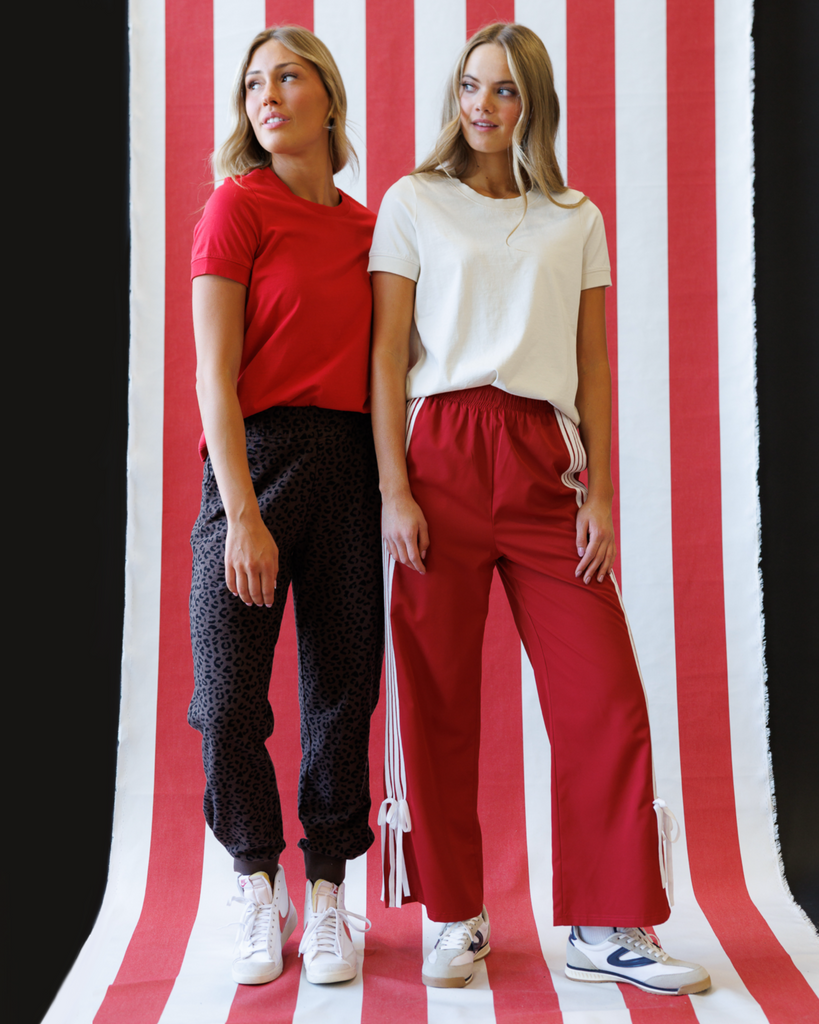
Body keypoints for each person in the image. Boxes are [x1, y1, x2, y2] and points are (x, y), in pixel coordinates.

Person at [369, 22, 710, 996]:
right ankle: (453, 916)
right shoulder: (411, 202)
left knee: (604, 692)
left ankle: (608, 922)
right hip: (436, 456)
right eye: (472, 86)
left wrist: (602, 486)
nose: (484, 105)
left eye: (507, 90)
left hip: (543, 467)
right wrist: (394, 488)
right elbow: (387, 356)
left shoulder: (576, 216)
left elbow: (594, 366)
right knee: (435, 698)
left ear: (535, 105)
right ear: (455, 95)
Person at [188, 25, 382, 987]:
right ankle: (255, 883)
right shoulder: (235, 206)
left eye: (288, 77)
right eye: (254, 83)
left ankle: (333, 894)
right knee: (226, 699)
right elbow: (211, 377)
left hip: (349, 465)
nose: (266, 96)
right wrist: (244, 513)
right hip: (252, 463)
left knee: (343, 693)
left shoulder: (366, 227)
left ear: (329, 100)